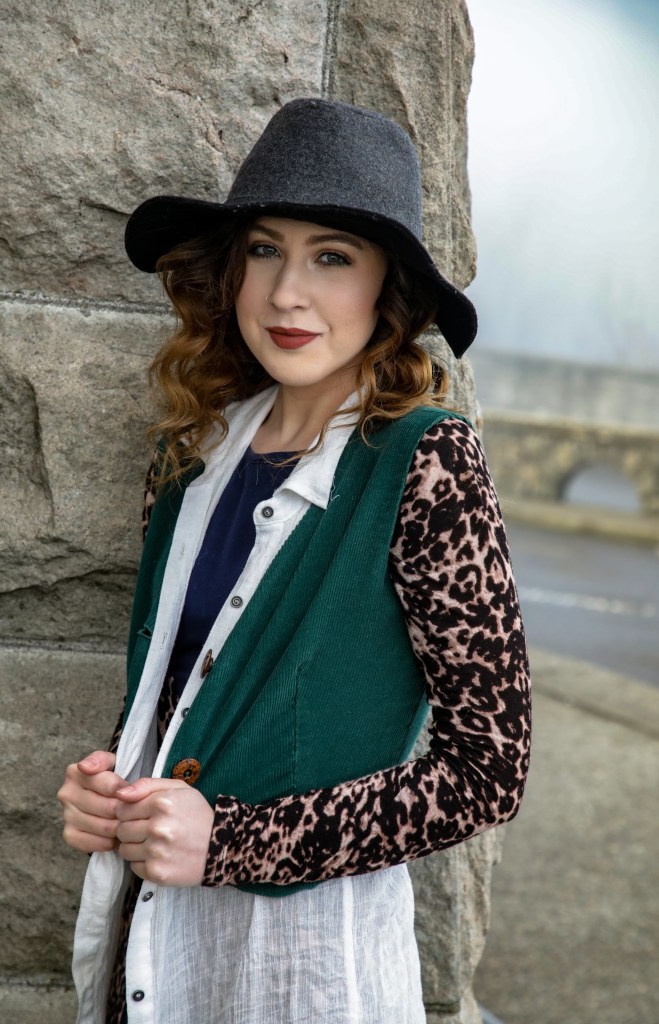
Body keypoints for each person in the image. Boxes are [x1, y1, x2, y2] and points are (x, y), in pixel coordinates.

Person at [58, 97, 531, 1024]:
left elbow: (488, 772)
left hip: (297, 969)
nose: (284, 294)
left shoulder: (426, 462)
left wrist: (232, 841)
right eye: (265, 250)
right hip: (147, 943)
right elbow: (185, 694)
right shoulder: (192, 454)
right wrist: (111, 789)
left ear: (387, 290)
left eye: (332, 258)